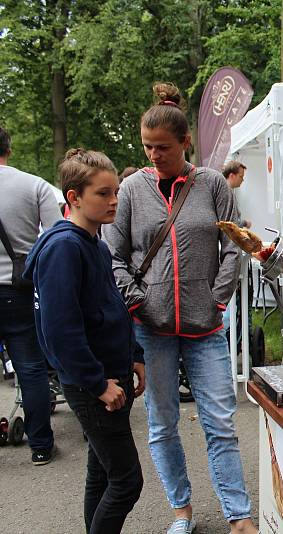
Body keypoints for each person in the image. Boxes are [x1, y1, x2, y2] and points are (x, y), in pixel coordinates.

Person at [103, 82, 258, 534]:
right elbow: (113, 255)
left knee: (220, 423)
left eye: (163, 148)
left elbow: (234, 245)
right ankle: (180, 511)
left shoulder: (211, 184)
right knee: (162, 424)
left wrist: (217, 297)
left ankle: (239, 515)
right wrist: (137, 300)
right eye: (148, 147)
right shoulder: (132, 189)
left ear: (185, 143)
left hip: (205, 326)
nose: (154, 155)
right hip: (152, 329)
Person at [23, 148, 145, 533]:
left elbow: (112, 306)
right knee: (127, 481)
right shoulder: (64, 247)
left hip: (112, 372)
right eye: (103, 194)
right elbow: (60, 330)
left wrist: (134, 355)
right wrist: (96, 383)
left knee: (103, 474)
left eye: (115, 193)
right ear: (74, 197)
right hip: (93, 383)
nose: (113, 202)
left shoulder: (95, 242)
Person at [0, 125, 61, 465]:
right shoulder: (33, 184)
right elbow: (55, 238)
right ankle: (40, 445)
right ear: (8, 147)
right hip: (19, 289)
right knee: (31, 369)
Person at [221, 160, 251, 228]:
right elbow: (230, 223)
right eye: (241, 176)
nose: (242, 180)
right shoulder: (226, 194)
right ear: (231, 176)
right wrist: (245, 223)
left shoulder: (227, 192)